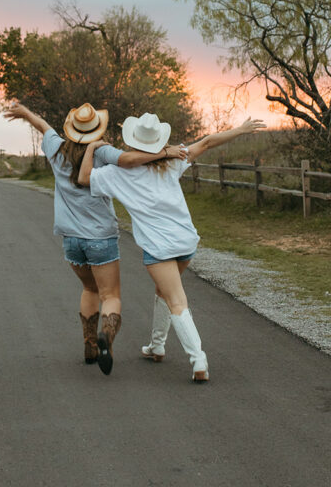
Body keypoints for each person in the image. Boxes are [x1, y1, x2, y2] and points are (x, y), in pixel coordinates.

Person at [78, 111, 265, 382]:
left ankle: (198, 360)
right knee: (164, 291)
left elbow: (84, 178)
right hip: (186, 241)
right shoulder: (171, 161)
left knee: (176, 300)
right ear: (157, 142)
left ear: (132, 143)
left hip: (160, 248)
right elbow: (208, 142)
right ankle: (157, 346)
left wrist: (92, 147)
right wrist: (241, 129)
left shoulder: (115, 174)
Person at [4, 102, 186, 375]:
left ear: (71, 130)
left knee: (89, 290)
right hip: (100, 237)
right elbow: (129, 160)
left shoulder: (56, 148)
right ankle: (106, 338)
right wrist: (165, 152)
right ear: (95, 130)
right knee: (110, 295)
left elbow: (43, 125)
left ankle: (90, 346)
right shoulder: (102, 151)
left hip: (71, 239)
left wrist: (25, 113)